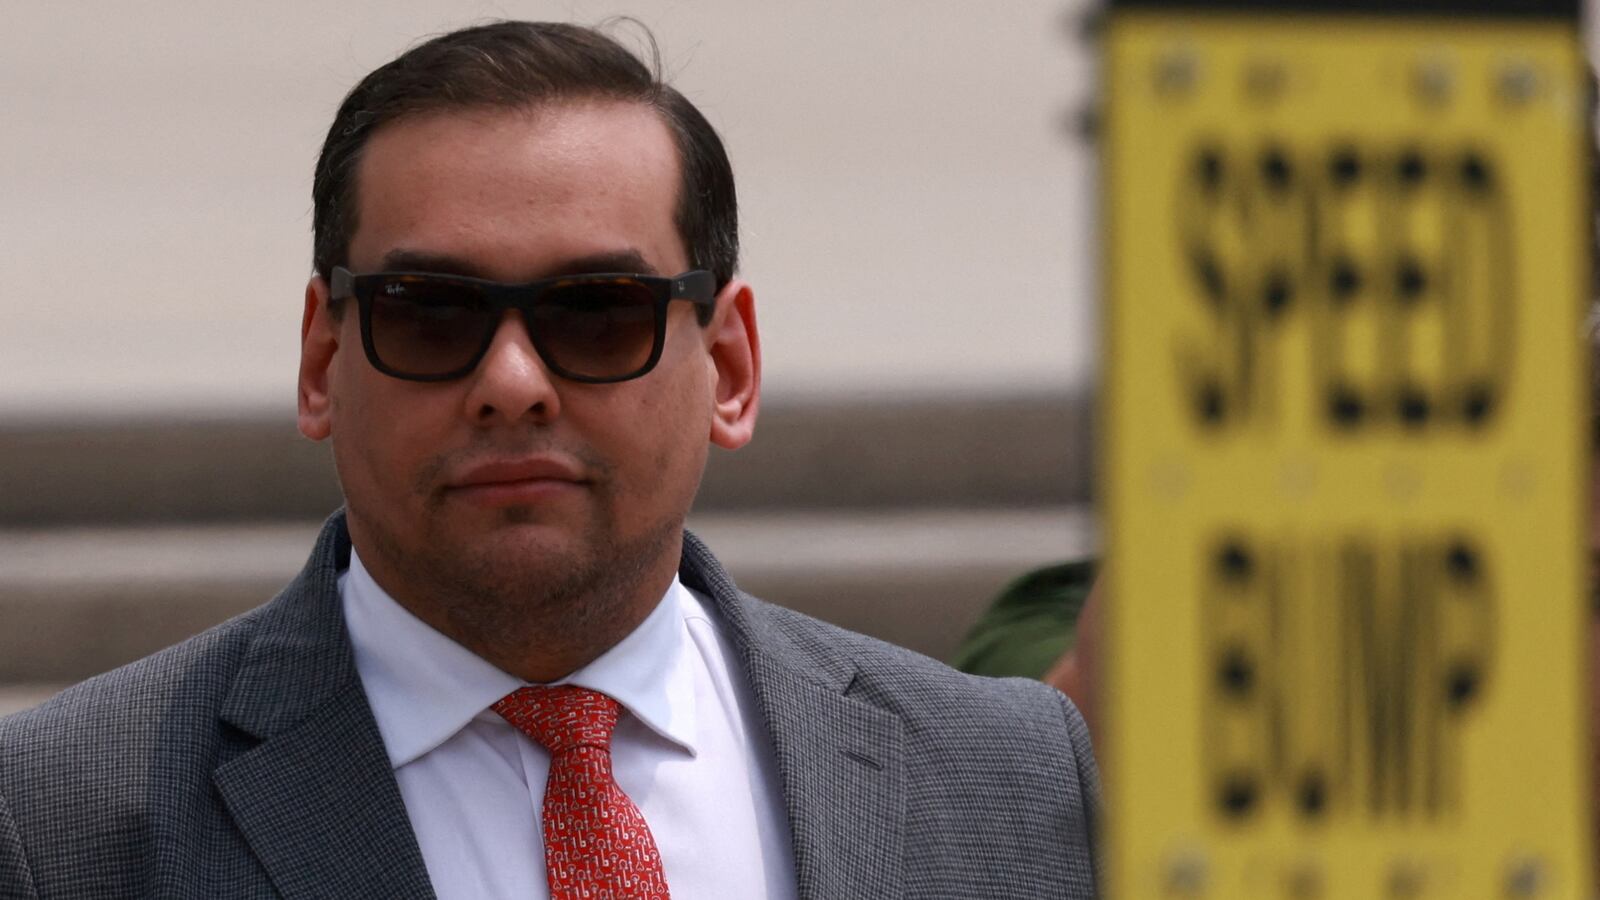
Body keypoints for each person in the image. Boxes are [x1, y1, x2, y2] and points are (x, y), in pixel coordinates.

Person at [0, 21, 1099, 899]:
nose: (513, 380)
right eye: (430, 315)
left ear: (729, 365)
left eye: (596, 312)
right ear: (322, 361)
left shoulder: (1005, 777)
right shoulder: (63, 825)